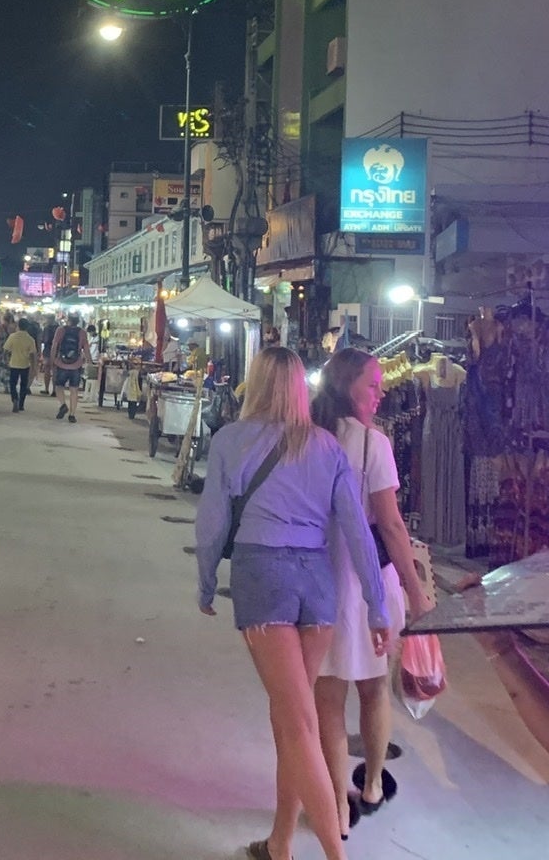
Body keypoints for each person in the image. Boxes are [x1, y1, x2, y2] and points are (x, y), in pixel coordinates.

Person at [194, 347, 389, 860]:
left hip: (264, 578)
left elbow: (212, 523)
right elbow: (358, 531)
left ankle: (334, 853)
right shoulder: (326, 447)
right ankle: (281, 841)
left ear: (256, 383)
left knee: (297, 721)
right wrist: (376, 605)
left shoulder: (231, 440)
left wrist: (206, 581)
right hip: (316, 582)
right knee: (291, 717)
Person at [311, 349, 429, 832]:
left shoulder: (307, 436)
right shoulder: (371, 444)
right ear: (347, 386)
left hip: (317, 583)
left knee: (328, 699)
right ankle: (374, 784)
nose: (380, 394)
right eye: (373, 385)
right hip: (368, 587)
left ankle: (337, 806)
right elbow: (392, 527)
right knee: (374, 688)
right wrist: (418, 593)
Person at [51, 312, 90, 423]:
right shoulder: (82, 332)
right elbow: (86, 348)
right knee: (74, 390)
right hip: (76, 365)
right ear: (78, 321)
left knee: (59, 386)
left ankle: (63, 405)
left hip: (61, 363)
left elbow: (55, 345)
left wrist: (53, 359)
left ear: (68, 320)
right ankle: (72, 415)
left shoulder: (60, 330)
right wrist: (90, 361)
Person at [3, 316, 38, 412]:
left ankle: (15, 398)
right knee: (23, 385)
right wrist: (34, 367)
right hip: (25, 364)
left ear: (18, 326)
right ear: (27, 327)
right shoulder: (30, 339)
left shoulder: (12, 336)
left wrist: (6, 360)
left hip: (14, 363)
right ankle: (21, 404)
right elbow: (33, 354)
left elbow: (5, 350)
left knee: (12, 384)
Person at [39, 313, 58, 395]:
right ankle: (54, 390)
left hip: (48, 350)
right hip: (56, 351)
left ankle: (47, 389)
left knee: (47, 370)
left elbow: (44, 340)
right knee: (55, 371)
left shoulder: (47, 328)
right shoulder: (59, 328)